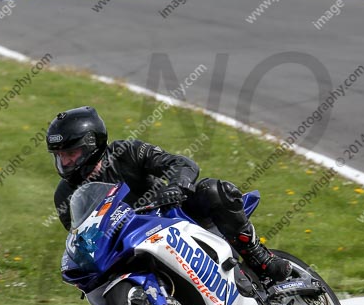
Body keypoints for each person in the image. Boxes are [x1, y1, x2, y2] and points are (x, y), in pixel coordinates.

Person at [46, 106, 291, 282]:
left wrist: (175, 186)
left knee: (214, 190)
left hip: (170, 216)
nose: (65, 161)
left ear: (91, 145)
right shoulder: (64, 196)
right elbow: (82, 237)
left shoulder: (127, 152)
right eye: (60, 156)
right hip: (127, 247)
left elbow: (181, 163)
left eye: (71, 153)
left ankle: (260, 258)